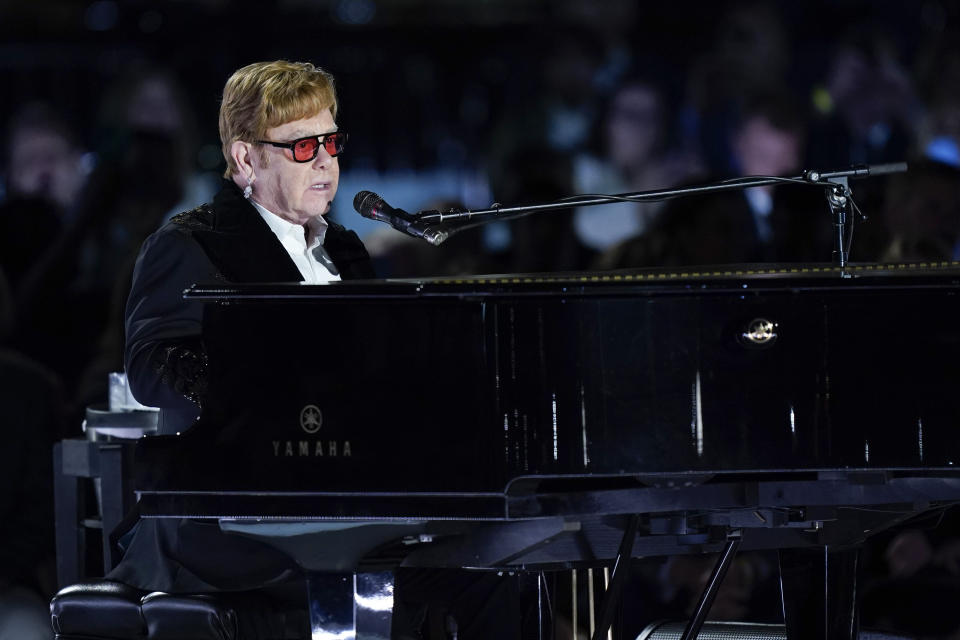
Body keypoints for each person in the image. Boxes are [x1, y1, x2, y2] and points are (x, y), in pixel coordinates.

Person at [107, 60, 374, 595]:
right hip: (227, 503)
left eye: (331, 142)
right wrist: (265, 388)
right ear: (245, 158)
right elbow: (153, 370)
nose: (325, 161)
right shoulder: (189, 245)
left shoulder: (345, 250)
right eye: (303, 146)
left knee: (496, 574)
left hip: (348, 490)